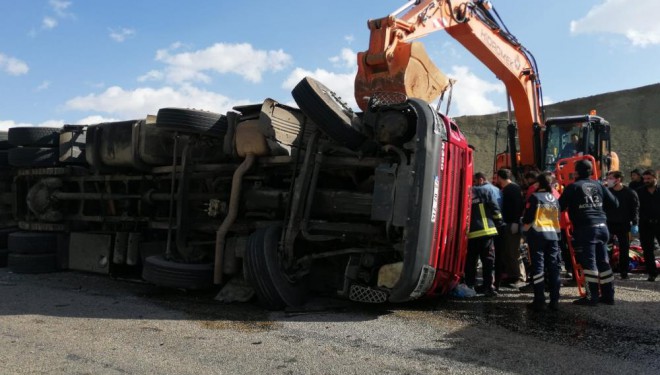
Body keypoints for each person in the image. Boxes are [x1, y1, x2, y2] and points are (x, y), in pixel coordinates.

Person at [559, 160, 619, 305]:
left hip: (586, 228)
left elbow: (559, 206)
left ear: (576, 172)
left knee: (589, 263)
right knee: (603, 262)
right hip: (602, 227)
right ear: (591, 172)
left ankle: (592, 297)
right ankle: (608, 295)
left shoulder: (573, 187)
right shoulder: (598, 185)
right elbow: (615, 203)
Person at [521, 172, 562, 311]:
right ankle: (555, 300)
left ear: (538, 184)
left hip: (538, 235)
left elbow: (528, 218)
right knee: (553, 267)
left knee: (538, 267)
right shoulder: (554, 199)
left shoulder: (535, 197)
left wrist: (523, 229)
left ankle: (539, 299)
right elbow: (558, 217)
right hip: (554, 236)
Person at [465, 172, 503, 297]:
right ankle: (488, 287)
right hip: (487, 232)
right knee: (488, 261)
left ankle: (470, 285)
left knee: (471, 261)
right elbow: (495, 209)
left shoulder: (468, 193)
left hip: (471, 234)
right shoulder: (486, 191)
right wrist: (499, 223)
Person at [495, 168, 526, 288]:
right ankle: (512, 276)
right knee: (508, 251)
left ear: (499, 177)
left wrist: (516, 222)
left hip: (512, 224)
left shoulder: (512, 189)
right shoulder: (509, 189)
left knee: (514, 251)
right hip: (508, 223)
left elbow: (518, 206)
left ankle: (520, 277)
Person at [605, 171, 639, 279]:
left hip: (624, 225)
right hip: (609, 224)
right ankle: (607, 270)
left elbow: (635, 209)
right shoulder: (607, 192)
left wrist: (635, 223)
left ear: (618, 179)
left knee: (624, 249)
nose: (608, 180)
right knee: (607, 249)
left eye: (611, 178)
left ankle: (623, 272)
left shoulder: (629, 193)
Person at [636, 169, 660, 282]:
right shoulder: (639, 192)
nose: (646, 181)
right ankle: (652, 273)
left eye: (649, 179)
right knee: (647, 250)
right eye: (644, 179)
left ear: (655, 178)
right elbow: (635, 208)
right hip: (645, 224)